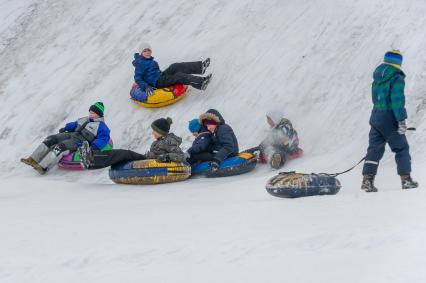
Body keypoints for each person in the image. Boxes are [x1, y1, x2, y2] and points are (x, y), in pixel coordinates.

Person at [361, 50, 418, 192]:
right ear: (398, 63)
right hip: (389, 117)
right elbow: (397, 101)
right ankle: (406, 180)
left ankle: (367, 180)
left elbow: (375, 99)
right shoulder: (396, 78)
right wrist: (401, 120)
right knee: (401, 148)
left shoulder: (377, 78)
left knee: (374, 149)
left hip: (375, 116)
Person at [21, 102, 110, 174]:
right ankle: (33, 159)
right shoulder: (85, 119)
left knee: (61, 146)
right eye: (90, 112)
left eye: (93, 113)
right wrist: (66, 128)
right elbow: (74, 124)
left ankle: (43, 167)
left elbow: (103, 139)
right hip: (72, 134)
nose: (90, 114)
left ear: (99, 114)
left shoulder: (102, 127)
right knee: (51, 138)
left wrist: (94, 147)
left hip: (80, 141)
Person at [78, 117, 186, 169]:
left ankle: (92, 158)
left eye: (154, 130)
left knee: (124, 153)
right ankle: (92, 161)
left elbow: (180, 156)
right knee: (120, 156)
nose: (152, 133)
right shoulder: (161, 141)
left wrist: (166, 156)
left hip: (151, 162)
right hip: (148, 159)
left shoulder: (169, 141)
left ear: (160, 132)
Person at [132, 42, 212, 96]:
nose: (147, 52)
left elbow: (154, 72)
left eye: (148, 50)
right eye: (144, 51)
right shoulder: (140, 63)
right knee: (178, 76)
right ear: (141, 53)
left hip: (160, 77)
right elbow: (137, 78)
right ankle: (201, 83)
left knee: (175, 66)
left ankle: (201, 67)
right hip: (156, 83)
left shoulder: (151, 61)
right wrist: (146, 86)